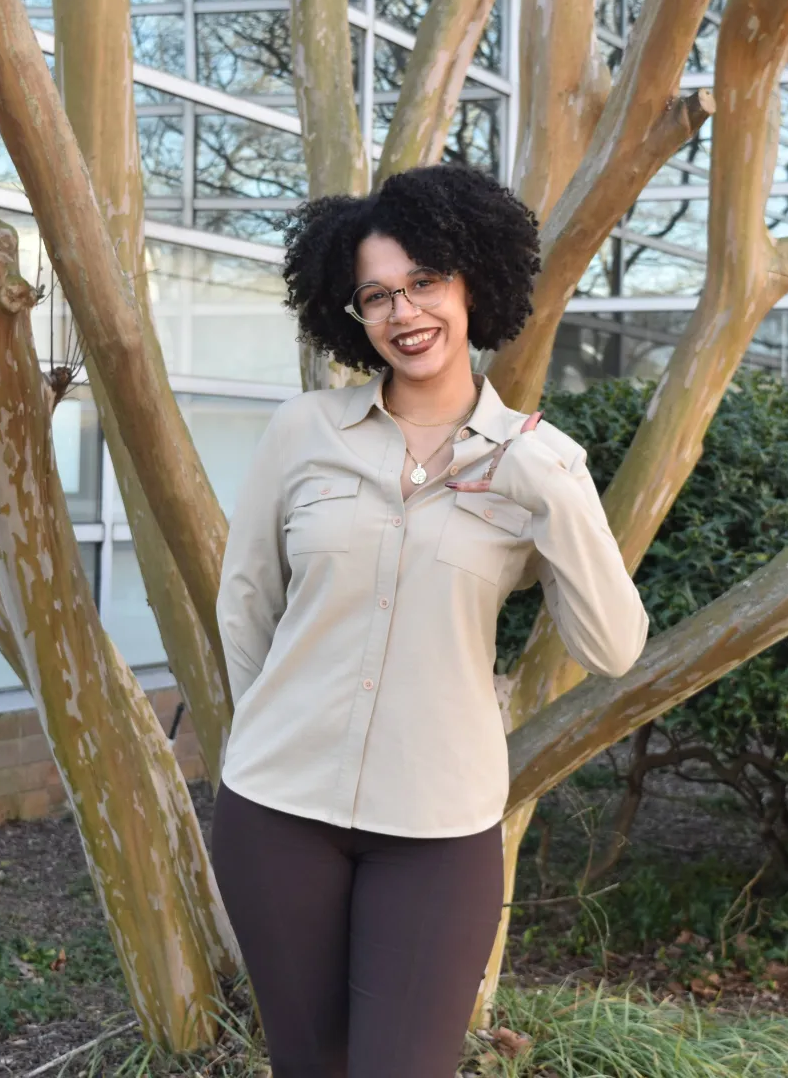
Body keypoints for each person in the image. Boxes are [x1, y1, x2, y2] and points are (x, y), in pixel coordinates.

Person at [211, 163, 649, 1078]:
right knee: (310, 1066)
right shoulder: (304, 432)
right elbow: (246, 601)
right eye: (377, 295)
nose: (405, 313)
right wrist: (267, 726)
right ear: (350, 313)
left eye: (424, 282)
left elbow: (613, 646)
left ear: (470, 282)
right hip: (278, 812)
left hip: (438, 828)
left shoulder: (543, 462)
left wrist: (547, 492)